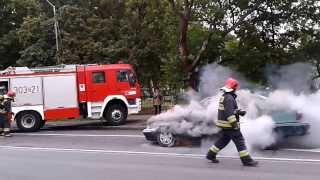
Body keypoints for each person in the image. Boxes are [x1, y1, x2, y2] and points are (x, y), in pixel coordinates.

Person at [206, 78, 258, 167]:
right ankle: (247, 160)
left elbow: (229, 110)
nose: (236, 89)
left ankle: (210, 155)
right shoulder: (229, 98)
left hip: (225, 125)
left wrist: (238, 112)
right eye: (235, 87)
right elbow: (229, 113)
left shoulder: (225, 96)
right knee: (240, 141)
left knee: (223, 140)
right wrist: (234, 125)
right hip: (230, 125)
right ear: (233, 88)